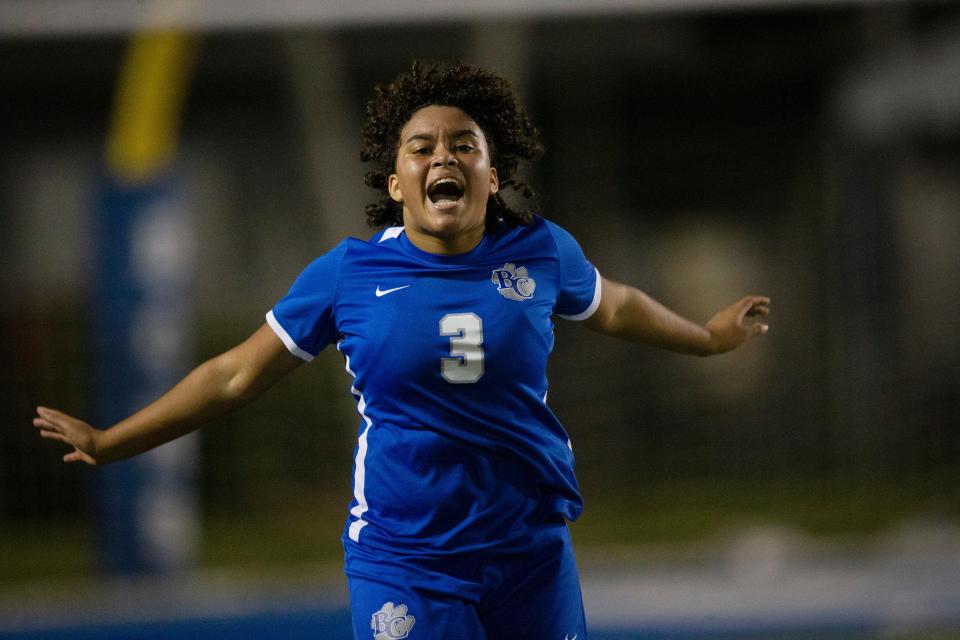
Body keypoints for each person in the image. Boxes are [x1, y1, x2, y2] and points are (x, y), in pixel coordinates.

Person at [34, 61, 770, 640]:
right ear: (397, 183)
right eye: (421, 147)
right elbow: (232, 376)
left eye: (463, 146)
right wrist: (112, 442)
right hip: (408, 558)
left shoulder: (543, 253)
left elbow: (616, 305)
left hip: (531, 550)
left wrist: (706, 339)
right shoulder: (349, 274)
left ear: (491, 175)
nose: (442, 156)